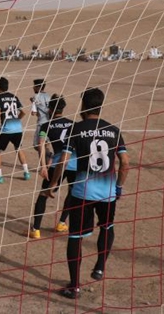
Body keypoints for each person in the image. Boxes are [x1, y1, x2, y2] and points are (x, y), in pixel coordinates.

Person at [48, 87, 129, 299]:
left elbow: (63, 161)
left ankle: (74, 287)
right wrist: (118, 186)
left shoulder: (76, 129)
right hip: (107, 192)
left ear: (83, 105)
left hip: (81, 192)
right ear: (100, 106)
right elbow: (125, 164)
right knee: (107, 226)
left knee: (75, 237)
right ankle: (100, 266)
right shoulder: (113, 129)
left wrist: (53, 184)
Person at [29, 94, 75, 239]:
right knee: (72, 193)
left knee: (43, 195)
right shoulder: (73, 124)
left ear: (50, 109)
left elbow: (41, 145)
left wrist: (43, 166)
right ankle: (62, 223)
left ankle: (36, 229)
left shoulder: (46, 125)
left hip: (57, 164)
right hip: (75, 164)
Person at [0, 76, 29, 182]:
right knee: (19, 148)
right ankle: (26, 173)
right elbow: (23, 112)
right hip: (18, 129)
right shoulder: (14, 97)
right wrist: (17, 120)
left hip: (6, 129)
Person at [30, 79, 51, 158]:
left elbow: (34, 113)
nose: (33, 87)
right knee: (46, 145)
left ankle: (46, 162)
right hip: (49, 123)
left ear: (37, 87)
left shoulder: (35, 97)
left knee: (38, 146)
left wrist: (34, 103)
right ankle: (48, 160)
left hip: (41, 124)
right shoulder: (48, 96)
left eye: (34, 86)